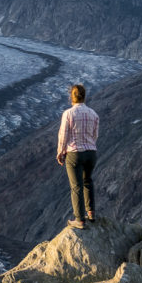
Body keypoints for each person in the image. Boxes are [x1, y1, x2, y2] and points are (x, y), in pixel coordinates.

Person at [56, 83, 99, 229]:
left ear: (71, 97)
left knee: (76, 187)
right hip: (91, 153)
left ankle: (80, 220)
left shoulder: (68, 114)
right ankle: (91, 213)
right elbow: (95, 135)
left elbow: (63, 135)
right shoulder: (93, 114)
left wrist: (60, 152)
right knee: (88, 181)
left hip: (74, 153)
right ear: (84, 96)